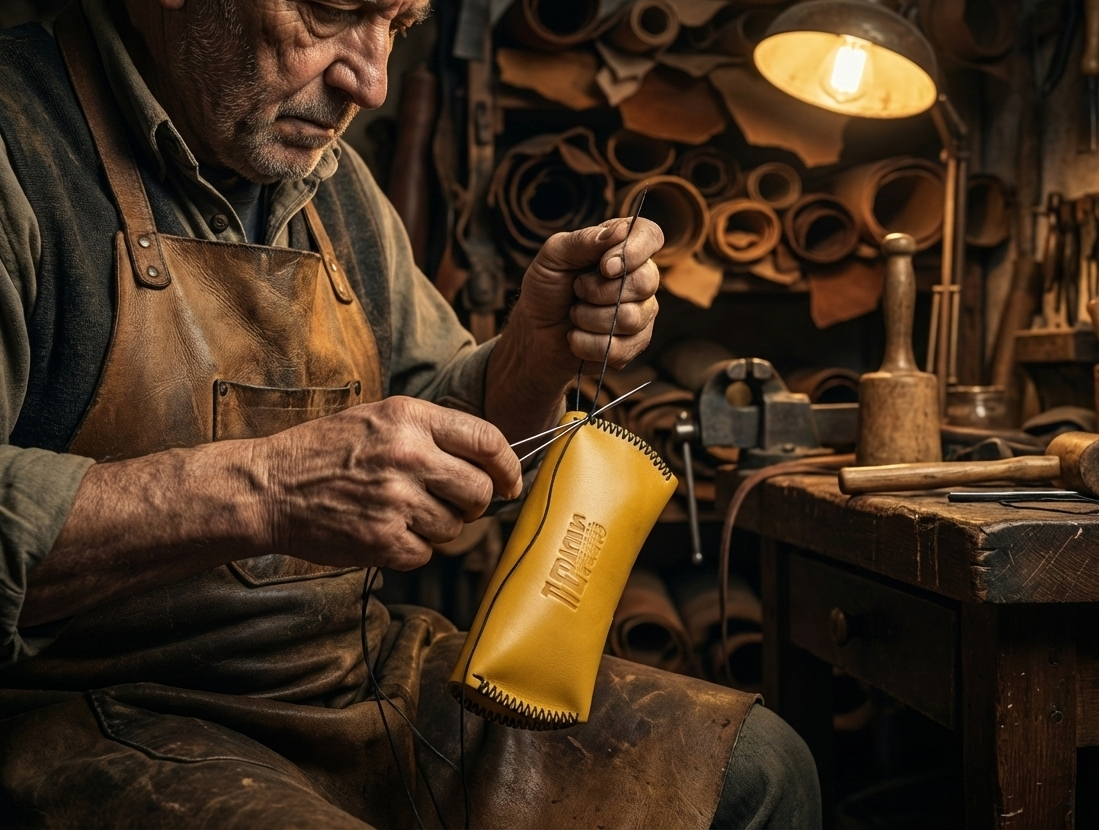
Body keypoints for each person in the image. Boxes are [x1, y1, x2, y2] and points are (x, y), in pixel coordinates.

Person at [0, 0, 821, 827]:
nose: (373, 83)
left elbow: (439, 417)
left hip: (350, 678)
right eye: (332, 9)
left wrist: (533, 356)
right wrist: (266, 489)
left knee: (757, 769)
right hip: (99, 708)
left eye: (398, 25)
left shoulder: (331, 183)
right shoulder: (20, 142)